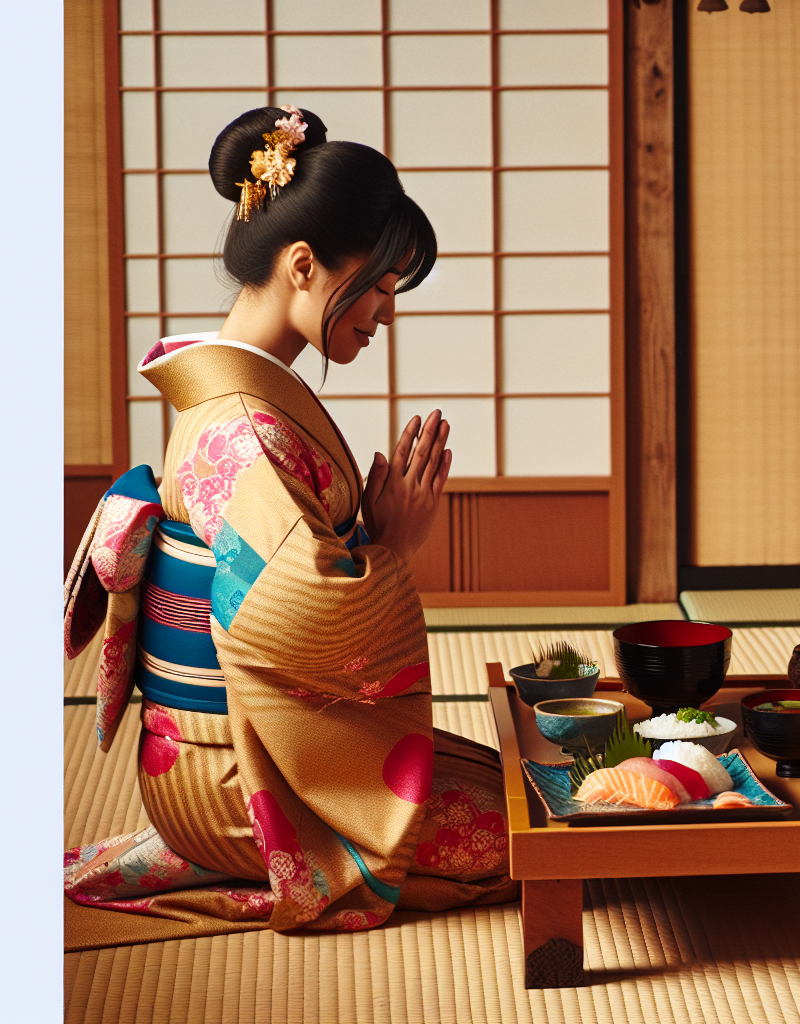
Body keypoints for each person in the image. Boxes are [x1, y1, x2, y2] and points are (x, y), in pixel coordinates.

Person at [62, 106, 517, 936]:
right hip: (235, 775)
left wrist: (370, 536)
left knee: (516, 786)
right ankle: (277, 862)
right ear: (303, 265)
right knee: (516, 838)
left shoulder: (247, 400)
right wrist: (390, 545)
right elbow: (292, 618)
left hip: (237, 746)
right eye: (377, 286)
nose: (385, 311)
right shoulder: (244, 427)